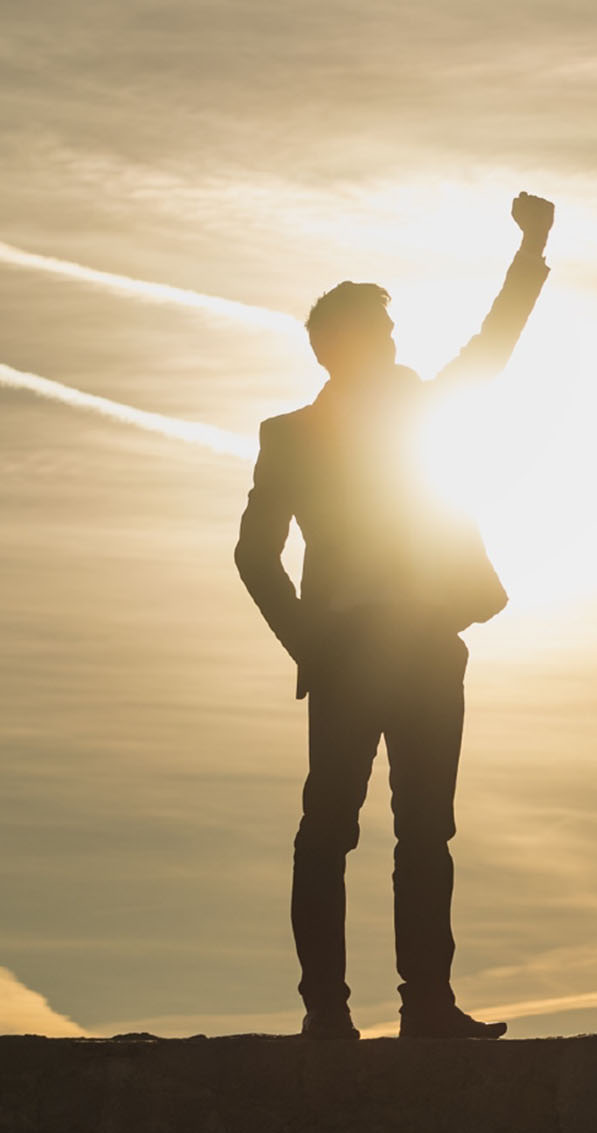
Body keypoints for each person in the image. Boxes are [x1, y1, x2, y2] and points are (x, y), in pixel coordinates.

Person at [235, 192, 555, 1040]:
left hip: (423, 645)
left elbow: (494, 350)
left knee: (425, 832)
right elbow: (253, 554)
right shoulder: (291, 437)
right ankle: (326, 1015)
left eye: (390, 335)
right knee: (329, 829)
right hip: (346, 652)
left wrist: (531, 252)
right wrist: (310, 638)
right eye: (377, 336)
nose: (391, 347)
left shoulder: (421, 410)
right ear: (337, 350)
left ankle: (430, 1011)